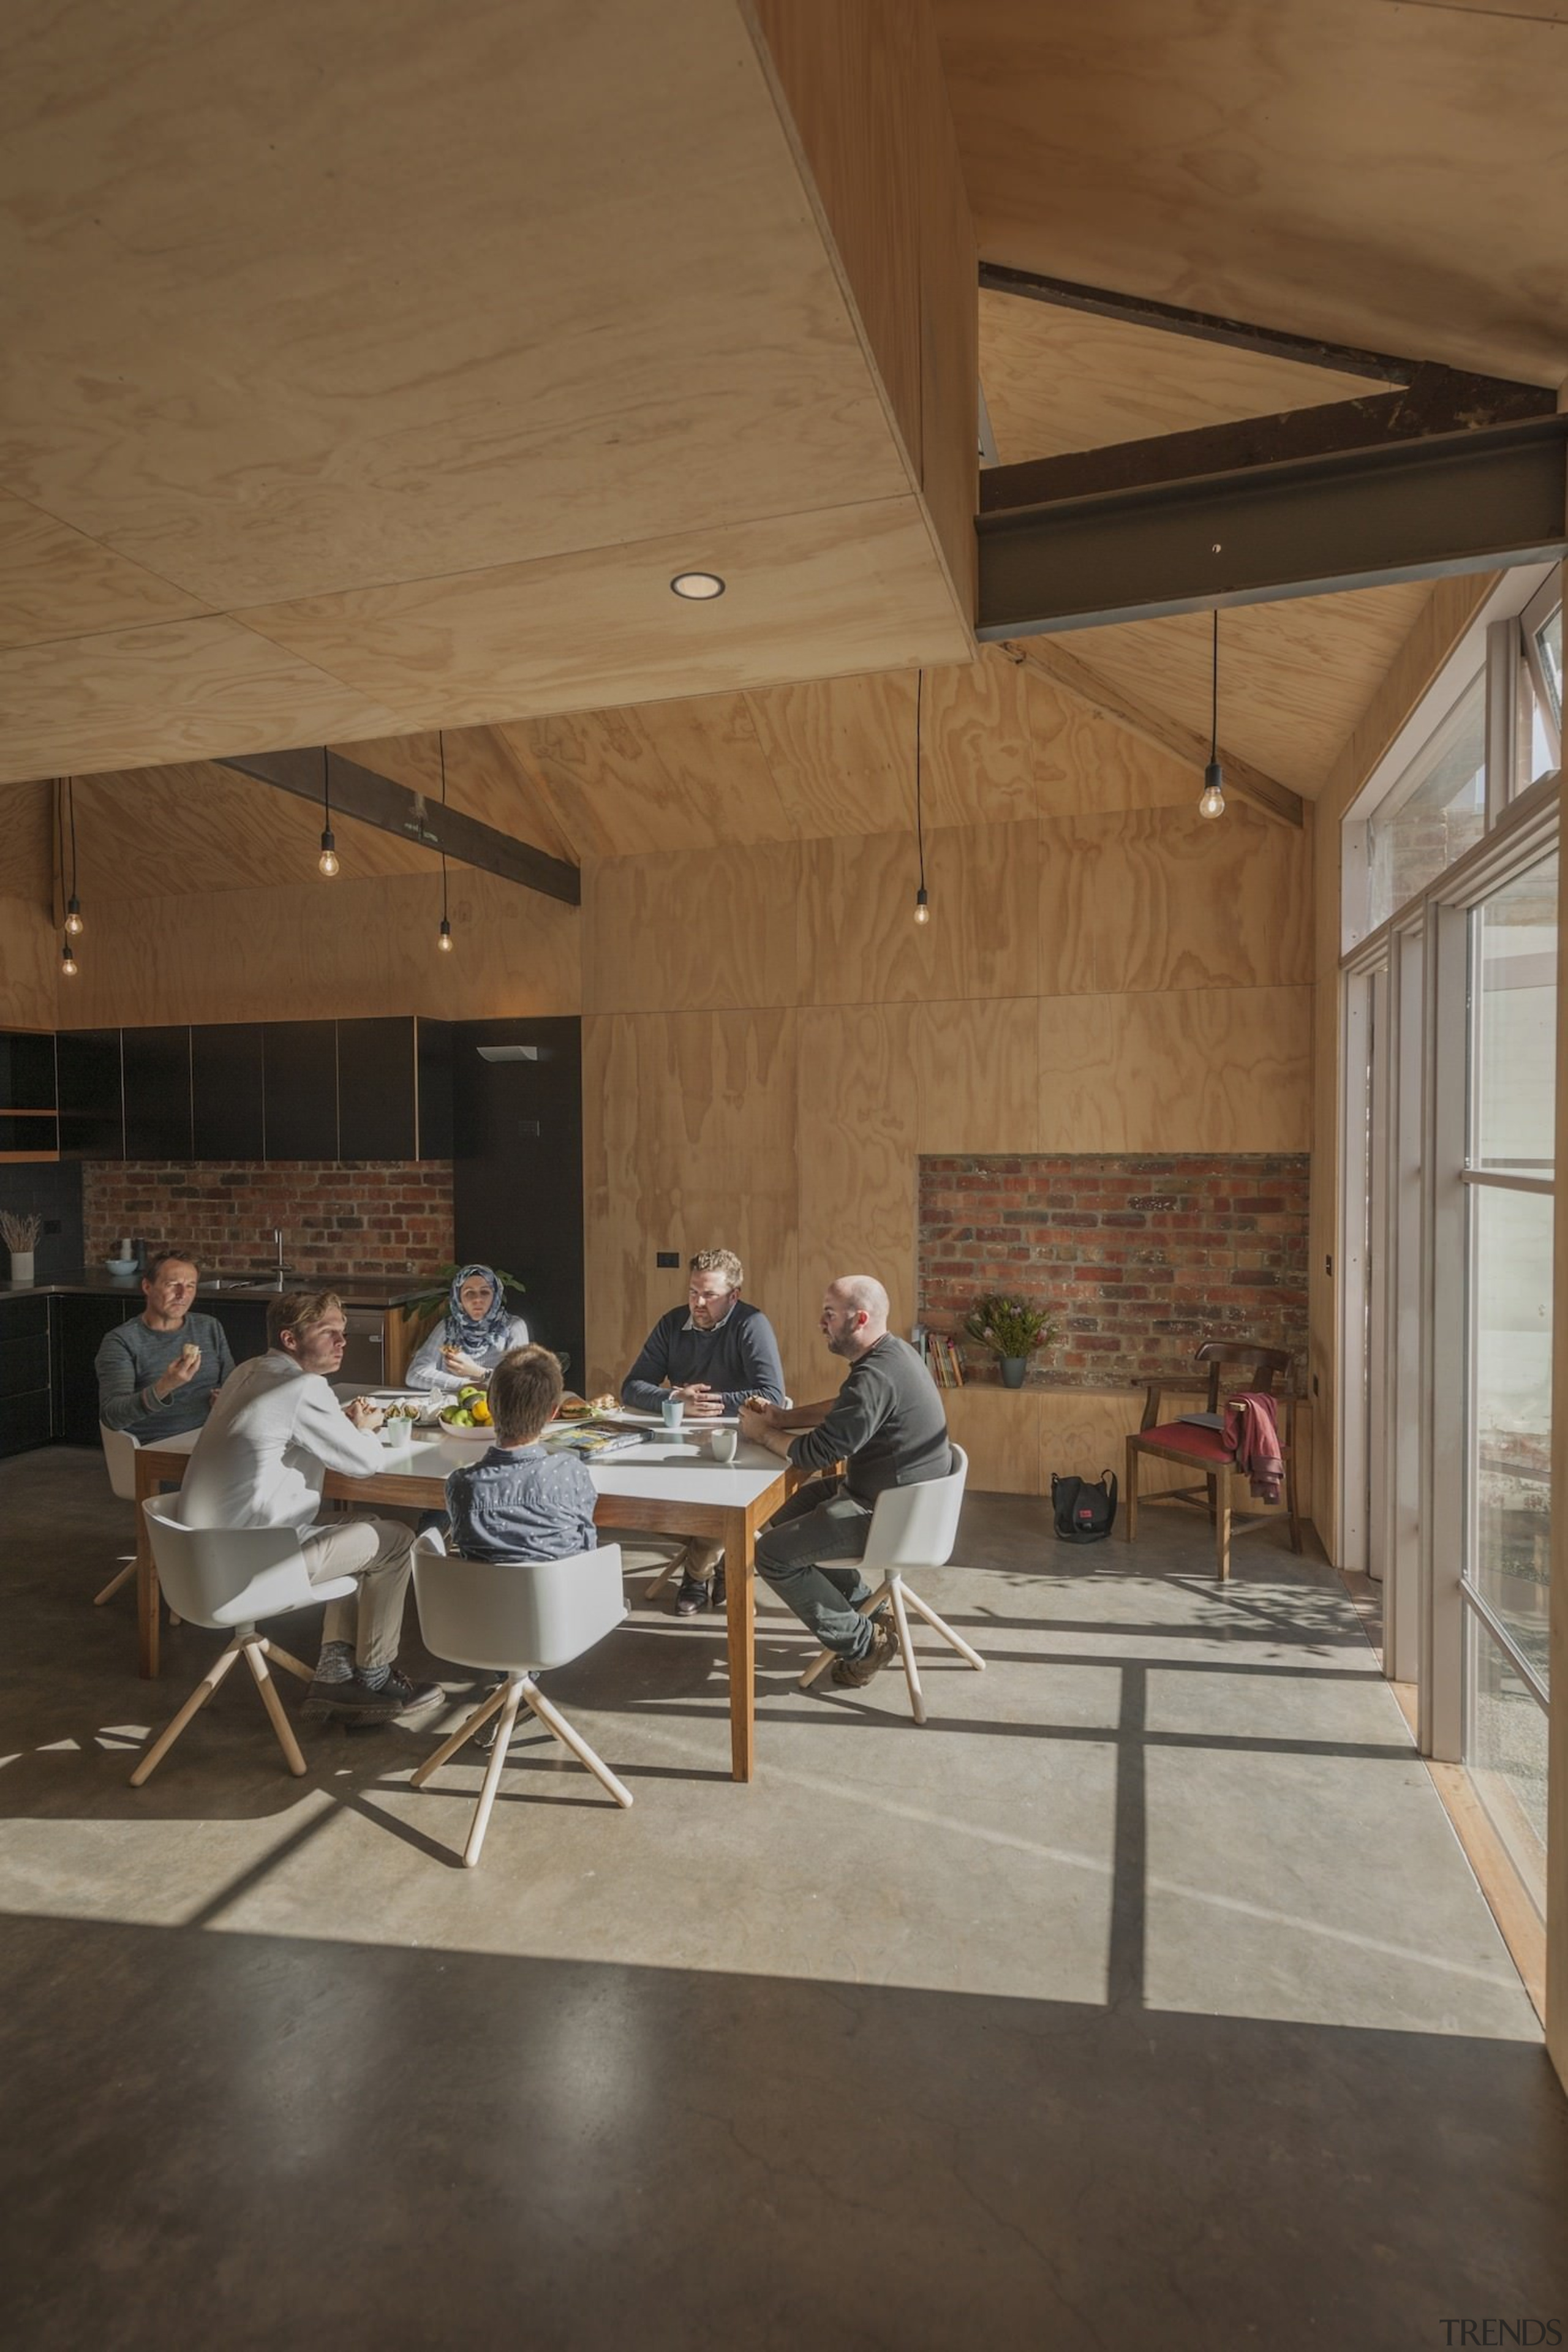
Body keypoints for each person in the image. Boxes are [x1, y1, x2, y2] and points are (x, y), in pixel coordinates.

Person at [179, 1289, 442, 1725]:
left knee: (366, 1525)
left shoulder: (251, 1371)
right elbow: (366, 1464)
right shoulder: (302, 1388)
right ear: (290, 1339)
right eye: (329, 1332)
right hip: (248, 1564)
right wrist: (364, 1428)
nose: (343, 1341)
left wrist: (342, 1423)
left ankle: (335, 1672)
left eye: (342, 1332)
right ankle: (374, 1677)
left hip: (199, 1555)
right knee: (396, 1540)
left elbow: (286, 1427)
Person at [741, 1275, 951, 1687]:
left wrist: (761, 1434)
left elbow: (817, 1454)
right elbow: (844, 1409)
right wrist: (782, 1418)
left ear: (860, 1319)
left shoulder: (875, 1376)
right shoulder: (892, 1356)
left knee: (772, 1555)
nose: (821, 1322)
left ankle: (863, 1645)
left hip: (890, 1515)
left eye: (830, 1314)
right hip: (899, 1499)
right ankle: (868, 1610)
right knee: (778, 1512)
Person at [622, 1248, 786, 1616]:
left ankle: (696, 1575)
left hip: (739, 1440)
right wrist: (675, 1398)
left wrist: (712, 1402)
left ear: (734, 1296)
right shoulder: (672, 1323)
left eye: (709, 1295)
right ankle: (725, 1555)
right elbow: (632, 1387)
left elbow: (772, 1395)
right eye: (693, 1292)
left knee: (720, 1499)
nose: (698, 1302)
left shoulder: (751, 1324)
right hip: (679, 1438)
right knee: (638, 1502)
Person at [445, 1345, 597, 1564]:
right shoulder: (571, 1473)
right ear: (553, 1413)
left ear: (489, 1405)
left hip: (483, 1598)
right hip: (563, 1596)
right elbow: (587, 1546)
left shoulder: (462, 1485)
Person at [96, 1249, 235, 1444]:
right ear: (147, 1286)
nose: (182, 1295)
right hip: (157, 1444)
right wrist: (166, 1386)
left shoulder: (209, 1327)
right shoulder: (122, 1341)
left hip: (212, 1436)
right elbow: (112, 1417)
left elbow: (232, 1385)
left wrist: (226, 1400)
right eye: (173, 1285)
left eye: (190, 1286)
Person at [407, 1265, 530, 1397]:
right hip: (451, 1410)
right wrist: (466, 1385)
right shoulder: (447, 1327)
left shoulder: (513, 1327)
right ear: (459, 1299)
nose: (477, 1299)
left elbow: (521, 1382)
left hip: (497, 1409)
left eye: (485, 1292)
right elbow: (415, 1374)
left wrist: (476, 1372)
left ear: (495, 1296)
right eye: (469, 1293)